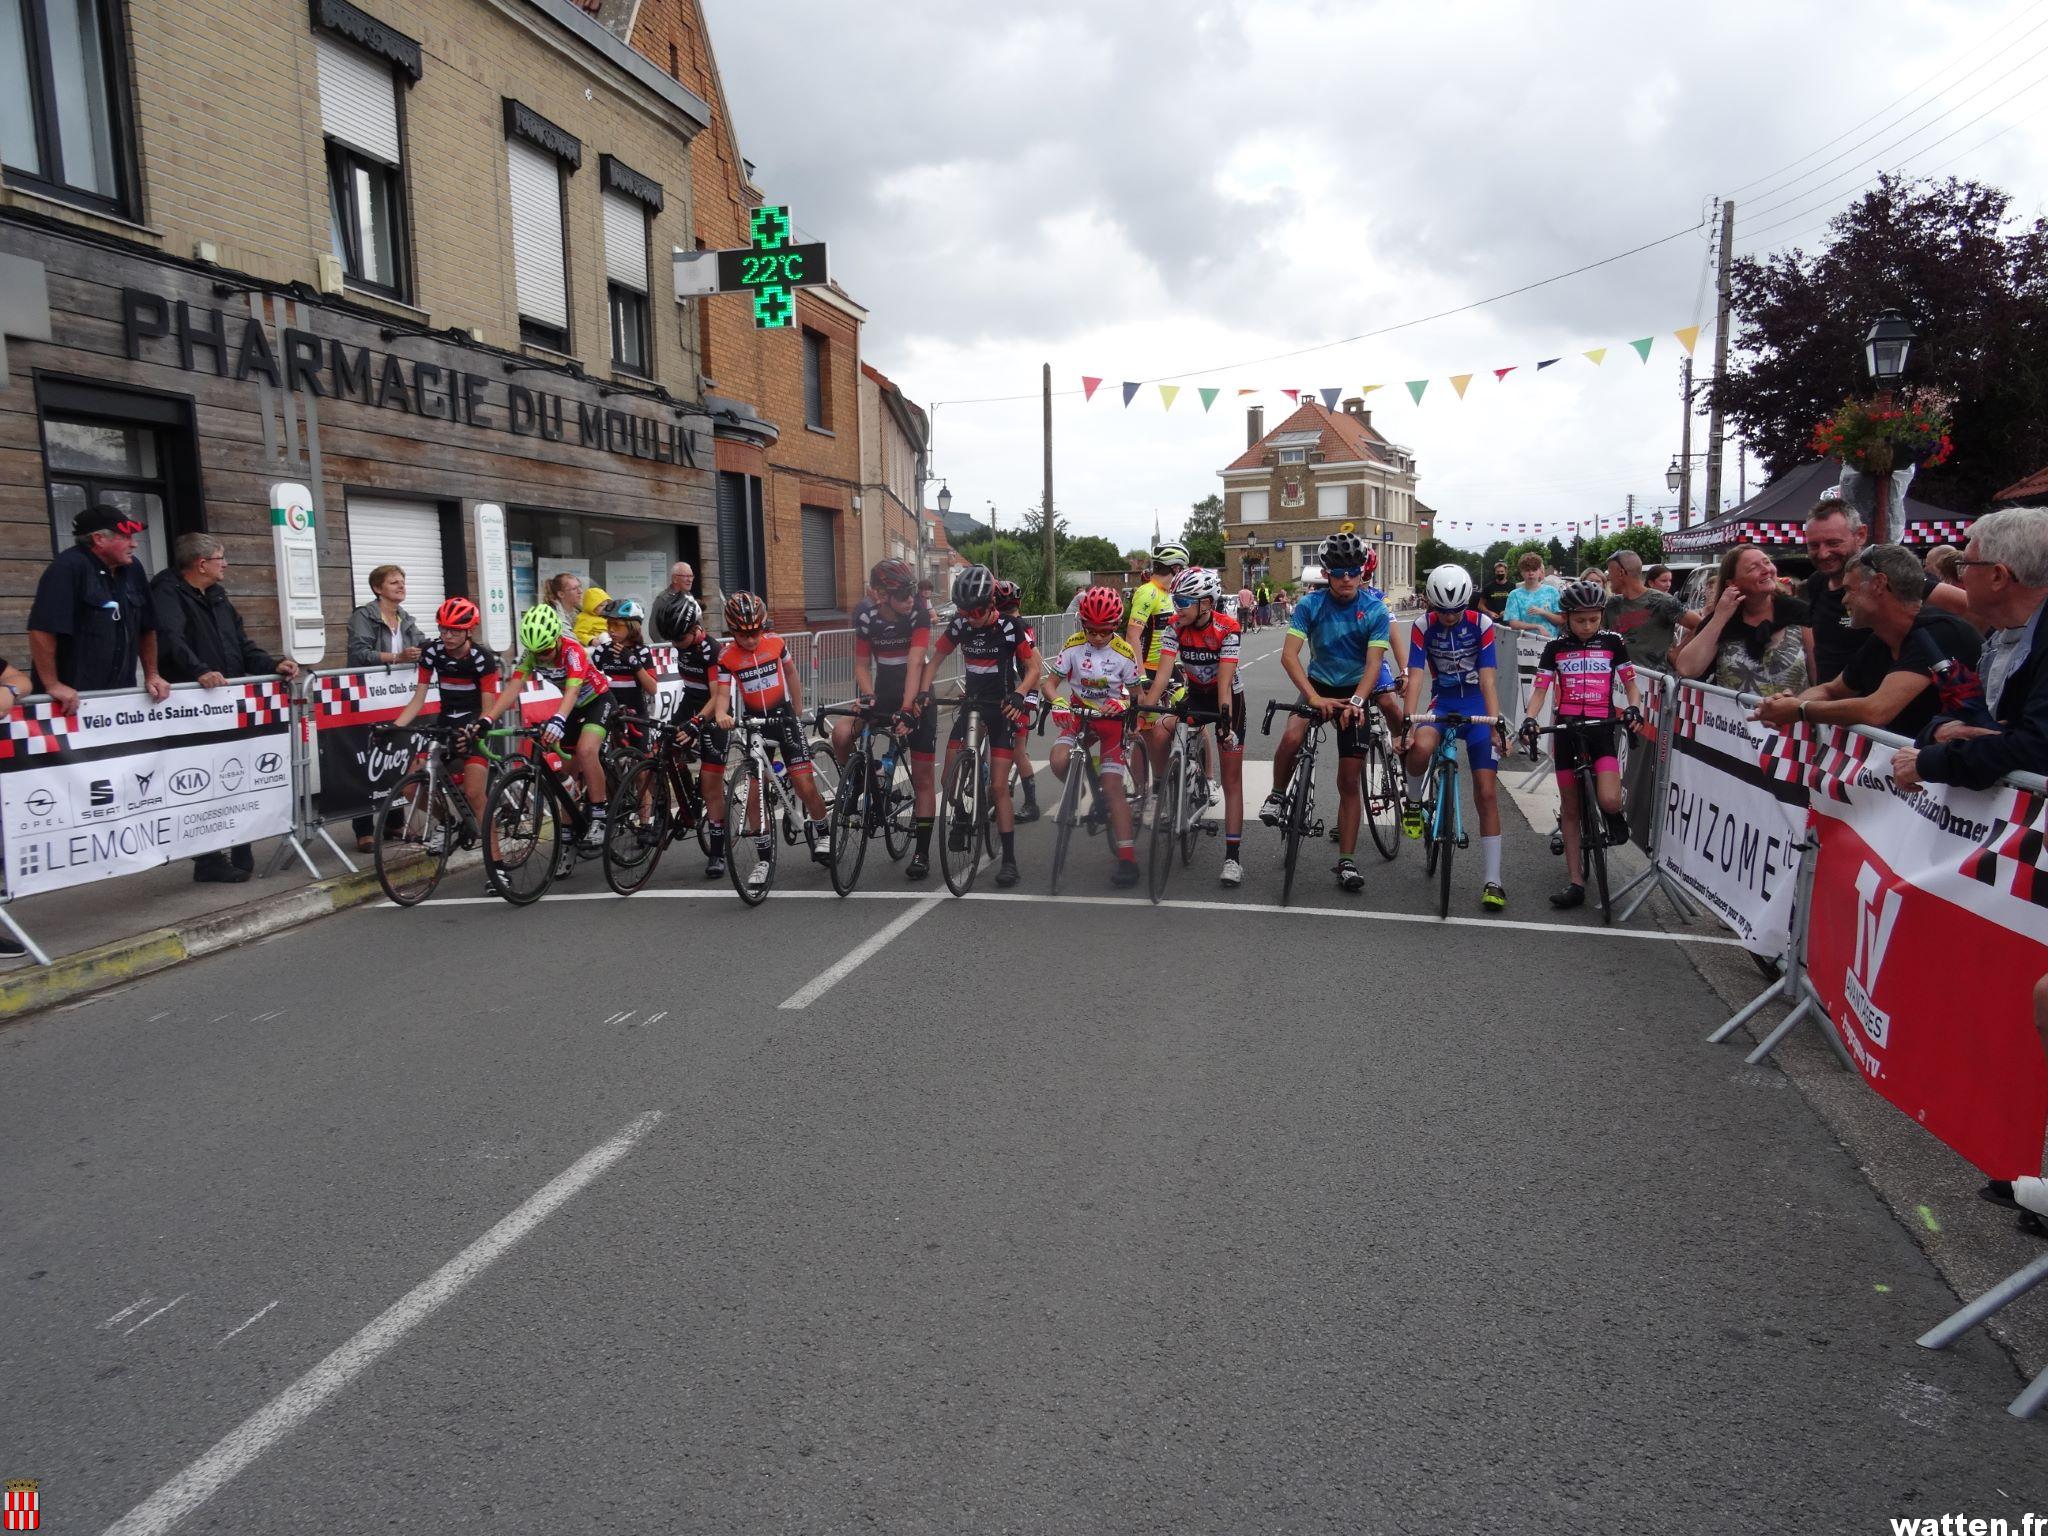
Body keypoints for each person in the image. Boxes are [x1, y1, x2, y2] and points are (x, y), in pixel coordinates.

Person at [150, 533, 302, 882]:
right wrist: (199, 671)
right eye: (221, 559)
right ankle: (208, 859)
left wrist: (272, 664)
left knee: (235, 776)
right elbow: (170, 640)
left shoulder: (218, 595)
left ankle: (240, 842)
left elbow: (240, 644)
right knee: (201, 781)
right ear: (201, 564)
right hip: (192, 705)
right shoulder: (167, 593)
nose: (227, 565)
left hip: (229, 701)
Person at [1263, 532, 1395, 893]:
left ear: (1362, 572)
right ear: (1326, 574)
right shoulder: (1310, 605)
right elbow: (1289, 656)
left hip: (1354, 692)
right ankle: (1277, 794)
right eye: (1338, 573)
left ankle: (1347, 862)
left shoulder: (1374, 609)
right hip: (1318, 686)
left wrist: (1357, 702)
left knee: (1348, 780)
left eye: (1353, 571)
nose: (1347, 579)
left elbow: (1374, 665)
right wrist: (1313, 697)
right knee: (1291, 736)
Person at [1753, 545, 1981, 741]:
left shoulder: (1938, 632)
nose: (1844, 600)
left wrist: (1800, 709)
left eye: (1849, 590)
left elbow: (1876, 710)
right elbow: (1831, 690)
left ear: (1879, 584)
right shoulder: (1882, 639)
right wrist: (1788, 705)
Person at [1893, 506, 2048, 791]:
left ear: (1998, 576)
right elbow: (1966, 716)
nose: (1960, 576)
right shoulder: (2003, 636)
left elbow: (2036, 748)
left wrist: (1930, 762)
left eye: (1964, 564)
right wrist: (1939, 732)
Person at [1519, 580, 1645, 909]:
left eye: (1593, 619)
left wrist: (1633, 707)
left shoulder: (1613, 642)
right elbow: (1540, 690)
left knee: (1610, 798)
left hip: (1601, 727)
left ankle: (1613, 817)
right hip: (1567, 729)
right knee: (1571, 809)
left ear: (1602, 615)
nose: (1587, 626)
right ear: (1566, 618)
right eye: (1579, 620)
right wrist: (1530, 718)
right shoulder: (1555, 648)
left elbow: (1632, 686)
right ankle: (1575, 881)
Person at [1401, 565, 1512, 911]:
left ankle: (1493, 881)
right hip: (1443, 702)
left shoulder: (1482, 624)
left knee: (1487, 792)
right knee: (1420, 748)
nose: (1449, 617)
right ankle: (1414, 803)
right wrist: (1408, 722)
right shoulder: (1422, 626)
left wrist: (1495, 725)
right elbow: (1416, 677)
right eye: (1442, 610)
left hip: (1477, 705)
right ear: (1431, 604)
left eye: (1456, 610)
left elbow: (1488, 679)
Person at [709, 591, 830, 889]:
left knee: (804, 784)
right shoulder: (726, 657)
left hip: (783, 718)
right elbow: (722, 694)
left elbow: (792, 674)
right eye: (743, 634)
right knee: (754, 794)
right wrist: (722, 714)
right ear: (732, 631)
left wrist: (797, 712)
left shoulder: (775, 642)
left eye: (755, 632)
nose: (751, 640)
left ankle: (823, 832)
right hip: (755, 725)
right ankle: (763, 861)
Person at [474, 603, 614, 857]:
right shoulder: (532, 654)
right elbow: (512, 689)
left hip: (597, 700)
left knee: (585, 751)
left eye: (546, 651)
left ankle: (600, 815)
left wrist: (558, 719)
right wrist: (488, 719)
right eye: (536, 652)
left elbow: (573, 691)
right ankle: (568, 838)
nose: (542, 657)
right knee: (565, 778)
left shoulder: (572, 651)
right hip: (572, 708)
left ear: (556, 639)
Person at [931, 564, 1041, 887]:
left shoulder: (1010, 626)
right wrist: (923, 694)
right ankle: (964, 813)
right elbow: (934, 661)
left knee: (998, 787)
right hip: (972, 705)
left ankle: (1009, 861)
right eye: (964, 611)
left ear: (992, 604)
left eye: (976, 611)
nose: (971, 618)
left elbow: (1034, 668)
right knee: (948, 780)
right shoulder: (960, 625)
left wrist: (1021, 694)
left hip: (1001, 708)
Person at [1138, 567, 1247, 885]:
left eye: (1184, 601)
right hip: (1196, 695)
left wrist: (1225, 726)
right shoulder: (1175, 627)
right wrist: (1144, 714)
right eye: (1176, 600)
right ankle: (1164, 787)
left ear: (1206, 603)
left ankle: (1232, 859)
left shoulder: (1228, 628)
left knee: (1232, 780)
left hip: (1228, 701)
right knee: (1159, 729)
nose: (1177, 607)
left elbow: (1224, 684)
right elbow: (1162, 677)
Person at [841, 559, 939, 879]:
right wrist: (868, 694)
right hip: (882, 694)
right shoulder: (867, 618)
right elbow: (860, 666)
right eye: (902, 594)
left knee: (923, 778)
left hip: (918, 696)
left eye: (912, 592)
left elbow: (915, 664)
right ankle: (861, 779)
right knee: (841, 734)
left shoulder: (917, 614)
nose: (910, 599)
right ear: (881, 594)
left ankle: (921, 852)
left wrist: (909, 708)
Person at [29, 505, 172, 713]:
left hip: (119, 695)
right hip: (70, 700)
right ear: (99, 539)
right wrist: (52, 684)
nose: (134, 544)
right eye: (126, 537)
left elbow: (147, 626)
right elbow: (42, 630)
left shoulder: (133, 568)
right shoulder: (67, 567)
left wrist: (152, 674)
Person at [1046, 585, 1144, 886]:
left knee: (1112, 788)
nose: (1098, 637)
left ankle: (1127, 860)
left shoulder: (1124, 652)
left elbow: (1137, 696)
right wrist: (1058, 702)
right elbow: (1049, 684)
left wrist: (1124, 703)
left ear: (1115, 626)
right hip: (1080, 716)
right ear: (1083, 624)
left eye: (1104, 631)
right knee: (1057, 760)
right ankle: (1078, 788)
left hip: (1112, 721)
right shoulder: (1073, 645)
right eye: (1091, 630)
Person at [388, 597, 500, 840]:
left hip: (475, 724)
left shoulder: (482, 658)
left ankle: (495, 858)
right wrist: (393, 728)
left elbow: (488, 708)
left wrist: (475, 731)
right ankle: (447, 822)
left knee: (474, 794)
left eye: (455, 631)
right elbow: (418, 700)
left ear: (469, 631)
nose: (447, 635)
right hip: (446, 723)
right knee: (410, 788)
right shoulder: (432, 651)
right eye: (443, 628)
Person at [345, 563, 425, 848]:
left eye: (402, 581)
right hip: (367, 695)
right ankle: (362, 828)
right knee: (366, 757)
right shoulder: (363, 616)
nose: (401, 586)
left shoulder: (406, 618)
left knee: (396, 753)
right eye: (394, 582)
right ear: (378, 588)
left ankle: (394, 822)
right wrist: (397, 658)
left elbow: (424, 645)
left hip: (397, 696)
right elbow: (359, 653)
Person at [1674, 544, 1813, 698]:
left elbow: (1819, 679)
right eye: (1753, 567)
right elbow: (1687, 669)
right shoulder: (1723, 619)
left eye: (1767, 562)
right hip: (1731, 713)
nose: (1766, 570)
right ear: (1732, 583)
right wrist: (1720, 617)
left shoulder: (1799, 612)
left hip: (1789, 712)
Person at [664, 595, 730, 878]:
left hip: (713, 713)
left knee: (711, 783)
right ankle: (683, 804)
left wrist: (697, 723)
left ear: (694, 629)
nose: (674, 644)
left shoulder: (711, 650)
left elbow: (717, 697)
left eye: (679, 638)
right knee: (661, 747)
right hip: (689, 704)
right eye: (671, 639)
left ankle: (717, 852)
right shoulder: (683, 645)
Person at [1125, 542, 1188, 810]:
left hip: (1171, 668)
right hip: (1148, 671)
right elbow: (1132, 636)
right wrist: (1140, 677)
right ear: (1175, 568)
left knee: (1193, 718)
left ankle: (1208, 780)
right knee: (1145, 733)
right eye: (1181, 569)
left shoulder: (1171, 594)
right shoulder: (1147, 592)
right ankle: (1142, 792)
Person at [1800, 498, 1870, 684]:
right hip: (1827, 698)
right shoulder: (1816, 583)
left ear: (1860, 535)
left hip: (1877, 699)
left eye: (1833, 543)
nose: (1823, 554)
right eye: (1814, 546)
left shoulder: (1881, 580)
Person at [993, 580, 1043, 825]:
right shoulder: (1019, 624)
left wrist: (1031, 695)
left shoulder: (1017, 626)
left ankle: (1031, 804)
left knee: (1017, 751)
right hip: (1006, 693)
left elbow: (1036, 662)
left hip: (1016, 693)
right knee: (1010, 749)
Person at [1602, 549, 1686, 671]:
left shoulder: (1662, 601)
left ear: (1621, 573)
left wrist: (1676, 653)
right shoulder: (1612, 604)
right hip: (1619, 678)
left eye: (1610, 572)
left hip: (1654, 679)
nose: (1608, 578)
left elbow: (1699, 625)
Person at [590, 598, 659, 744]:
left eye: (617, 625)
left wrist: (633, 662)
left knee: (642, 755)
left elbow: (652, 689)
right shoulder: (602, 651)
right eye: (609, 624)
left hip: (636, 711)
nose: (611, 629)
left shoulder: (642, 652)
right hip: (609, 710)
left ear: (632, 626)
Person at [1501, 553, 1561, 642]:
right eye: (1527, 570)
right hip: (1525, 644)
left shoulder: (1552, 591)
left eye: (1534, 569)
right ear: (1521, 572)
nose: (1531, 573)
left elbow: (1561, 620)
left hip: (1551, 641)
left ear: (1540, 571)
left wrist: (1544, 613)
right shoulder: (1514, 595)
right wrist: (1537, 627)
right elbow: (1513, 624)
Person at [651, 561, 698, 643]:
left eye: (691, 576)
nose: (690, 580)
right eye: (686, 576)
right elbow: (654, 631)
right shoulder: (663, 599)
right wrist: (671, 648)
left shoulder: (690, 598)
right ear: (675, 579)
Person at [572, 584, 611, 649]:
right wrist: (591, 640)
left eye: (606, 605)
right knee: (604, 635)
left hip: (610, 639)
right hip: (596, 644)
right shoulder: (585, 618)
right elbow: (578, 633)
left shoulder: (607, 616)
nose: (604, 608)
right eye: (601, 605)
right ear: (591, 606)